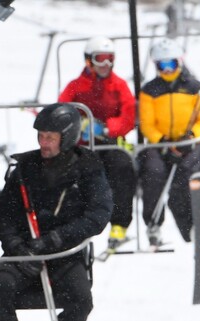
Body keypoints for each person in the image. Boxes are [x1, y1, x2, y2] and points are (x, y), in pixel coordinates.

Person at [0, 103, 112, 321]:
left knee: (81, 300)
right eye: (41, 136)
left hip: (63, 254)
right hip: (25, 253)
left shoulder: (87, 168)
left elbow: (98, 214)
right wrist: (17, 247)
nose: (43, 143)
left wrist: (58, 239)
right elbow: (5, 216)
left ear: (67, 138)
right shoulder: (24, 169)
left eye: (50, 138)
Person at [58, 36, 137, 248]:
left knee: (122, 167)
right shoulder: (76, 87)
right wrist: (80, 125)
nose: (106, 65)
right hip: (84, 146)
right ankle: (76, 223)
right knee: (78, 175)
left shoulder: (119, 85)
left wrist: (109, 128)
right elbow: (62, 111)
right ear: (89, 61)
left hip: (109, 143)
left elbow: (129, 116)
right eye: (100, 59)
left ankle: (119, 223)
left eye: (110, 59)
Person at [137, 37, 200, 248]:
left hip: (190, 142)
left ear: (179, 62)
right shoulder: (150, 90)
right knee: (154, 174)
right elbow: (147, 123)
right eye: (162, 65)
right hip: (160, 144)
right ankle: (153, 223)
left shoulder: (194, 87)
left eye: (171, 64)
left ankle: (197, 222)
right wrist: (163, 142)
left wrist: (191, 137)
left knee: (188, 175)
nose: (168, 69)